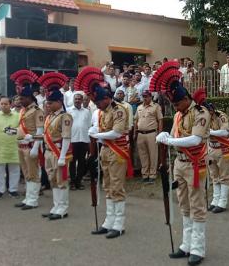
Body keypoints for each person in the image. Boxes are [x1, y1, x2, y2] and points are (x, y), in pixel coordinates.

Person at [153, 61, 210, 266]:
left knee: (197, 206)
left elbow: (194, 139)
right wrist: (167, 135)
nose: (175, 108)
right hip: (180, 163)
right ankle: (186, 244)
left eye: (177, 104)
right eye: (173, 105)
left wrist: (170, 140)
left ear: (187, 98)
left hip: (196, 165)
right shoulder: (178, 114)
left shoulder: (201, 113)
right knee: (184, 205)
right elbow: (176, 135)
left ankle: (198, 248)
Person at [80, 67, 132, 239]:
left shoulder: (118, 109)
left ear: (107, 98)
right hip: (105, 151)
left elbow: (116, 133)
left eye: (99, 102)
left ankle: (119, 223)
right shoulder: (102, 112)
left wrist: (96, 134)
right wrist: (94, 130)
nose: (97, 106)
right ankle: (109, 221)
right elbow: (100, 128)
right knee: (107, 187)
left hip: (117, 152)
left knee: (117, 187)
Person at [39, 72, 73, 220]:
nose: (48, 105)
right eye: (47, 103)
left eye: (51, 102)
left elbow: (66, 137)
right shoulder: (50, 117)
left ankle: (63, 208)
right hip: (48, 151)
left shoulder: (65, 117)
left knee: (61, 181)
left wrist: (62, 156)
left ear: (59, 102)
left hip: (59, 151)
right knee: (53, 180)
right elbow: (46, 135)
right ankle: (56, 206)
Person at [10, 70, 44, 210]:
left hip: (31, 146)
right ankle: (28, 198)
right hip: (21, 145)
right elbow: (21, 129)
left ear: (29, 98)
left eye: (22, 99)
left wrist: (36, 147)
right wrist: (11, 131)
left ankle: (33, 200)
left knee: (33, 173)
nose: (19, 101)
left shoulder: (37, 111)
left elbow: (40, 131)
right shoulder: (23, 111)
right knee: (26, 173)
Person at [202, 94, 229, 214]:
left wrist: (211, 132)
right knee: (214, 175)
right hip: (211, 148)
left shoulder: (221, 116)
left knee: (224, 175)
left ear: (212, 110)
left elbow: (225, 132)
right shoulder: (203, 117)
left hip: (223, 149)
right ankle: (215, 200)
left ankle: (223, 202)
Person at [134, 90, 163, 183]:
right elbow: (136, 121)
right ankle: (145, 174)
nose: (145, 98)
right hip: (140, 134)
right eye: (143, 96)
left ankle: (152, 175)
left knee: (153, 155)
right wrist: (135, 133)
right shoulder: (139, 107)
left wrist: (159, 134)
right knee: (143, 155)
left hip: (151, 133)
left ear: (150, 97)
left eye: (146, 96)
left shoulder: (156, 107)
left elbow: (160, 120)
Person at [0, 97, 20, 199]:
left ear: (11, 104)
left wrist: (12, 131)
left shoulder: (17, 116)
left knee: (14, 169)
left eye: (6, 104)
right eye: (2, 104)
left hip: (14, 147)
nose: (3, 106)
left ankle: (13, 190)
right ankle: (0, 189)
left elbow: (21, 130)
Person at [68, 92, 92, 190]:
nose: (77, 100)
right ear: (73, 100)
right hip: (72, 140)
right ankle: (72, 182)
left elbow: (90, 125)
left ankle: (79, 181)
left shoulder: (86, 111)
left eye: (79, 99)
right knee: (72, 162)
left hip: (84, 139)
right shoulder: (68, 111)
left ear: (82, 101)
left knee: (82, 162)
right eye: (76, 99)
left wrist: (90, 140)